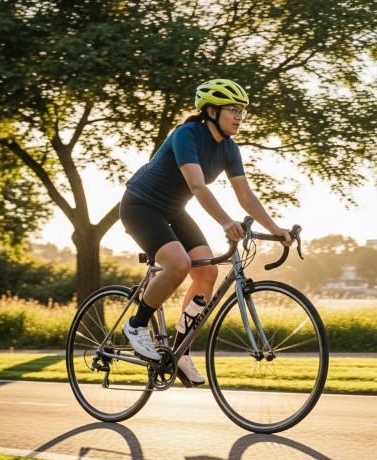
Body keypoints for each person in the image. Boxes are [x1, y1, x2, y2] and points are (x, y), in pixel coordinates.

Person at [120, 79, 291, 387]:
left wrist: (276, 228)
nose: (239, 117)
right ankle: (136, 325)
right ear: (211, 111)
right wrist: (226, 222)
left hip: (173, 211)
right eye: (233, 110)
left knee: (208, 272)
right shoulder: (187, 134)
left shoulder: (229, 148)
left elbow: (246, 196)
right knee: (179, 264)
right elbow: (197, 186)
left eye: (242, 112)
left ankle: (180, 351)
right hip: (141, 206)